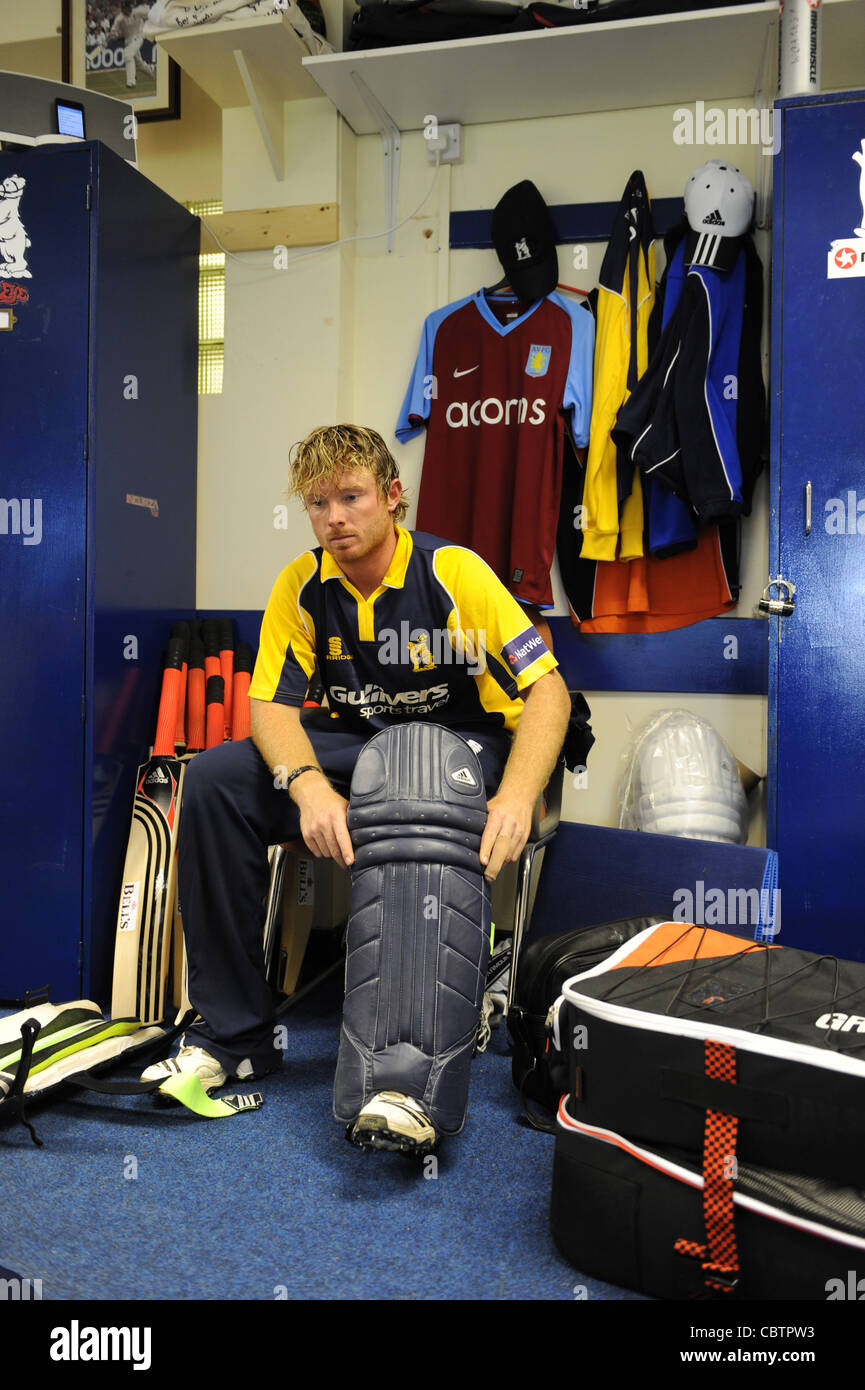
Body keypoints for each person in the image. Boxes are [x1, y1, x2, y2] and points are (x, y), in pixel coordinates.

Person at [144, 423, 572, 1153]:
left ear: (392, 496)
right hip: (360, 750)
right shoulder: (302, 584)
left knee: (415, 775)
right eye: (318, 503)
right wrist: (306, 783)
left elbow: (549, 692)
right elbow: (271, 706)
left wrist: (515, 794)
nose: (334, 518)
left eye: (350, 497)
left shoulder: (454, 572)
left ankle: (406, 1073)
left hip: (463, 746)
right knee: (214, 780)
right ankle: (235, 1036)